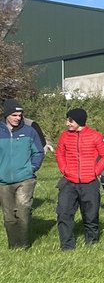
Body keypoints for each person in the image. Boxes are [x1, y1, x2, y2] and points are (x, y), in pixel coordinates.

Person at [55, 107, 104, 251]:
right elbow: (59, 154)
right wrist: (65, 169)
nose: (67, 123)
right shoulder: (64, 136)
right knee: (64, 213)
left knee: (91, 215)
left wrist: (95, 171)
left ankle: (91, 243)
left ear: (79, 121)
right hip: (69, 182)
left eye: (70, 120)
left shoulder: (95, 136)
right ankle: (67, 246)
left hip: (90, 183)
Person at [0, 98, 44, 250]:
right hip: (3, 181)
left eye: (20, 115)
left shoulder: (29, 131)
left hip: (25, 179)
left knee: (23, 210)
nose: (18, 118)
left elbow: (38, 151)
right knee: (9, 216)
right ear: (6, 115)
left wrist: (31, 168)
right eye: (14, 115)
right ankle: (13, 245)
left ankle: (24, 245)